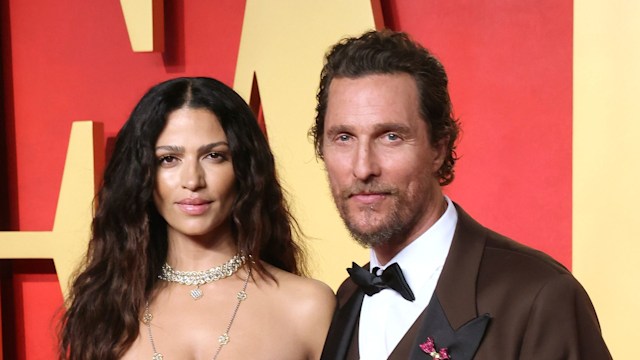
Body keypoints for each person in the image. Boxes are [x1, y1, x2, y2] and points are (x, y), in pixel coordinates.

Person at [312, 30, 611, 360]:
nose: (363, 167)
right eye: (343, 138)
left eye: (391, 136)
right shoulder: (342, 302)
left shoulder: (539, 297)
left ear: (439, 148)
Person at [58, 77, 335, 360]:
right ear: (142, 173)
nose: (192, 180)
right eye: (169, 159)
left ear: (244, 168)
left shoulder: (308, 306)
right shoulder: (105, 310)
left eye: (214, 156)